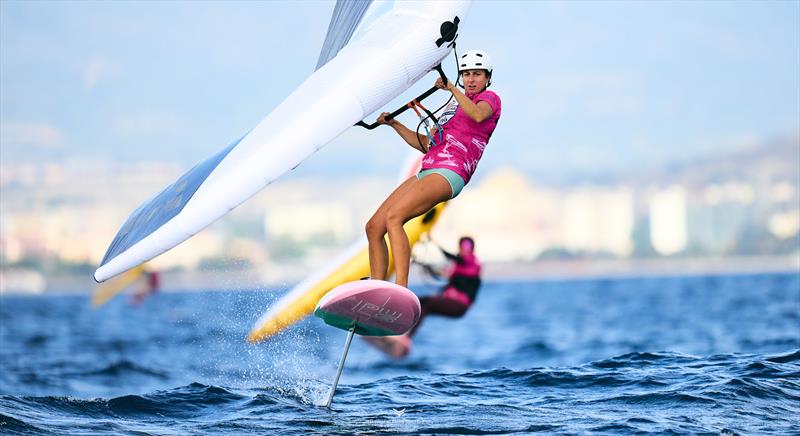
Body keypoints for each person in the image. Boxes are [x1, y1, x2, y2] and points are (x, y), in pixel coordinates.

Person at [365, 49, 501, 290]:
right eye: (466, 74)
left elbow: (478, 116)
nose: (470, 79)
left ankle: (400, 289)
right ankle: (377, 287)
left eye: (477, 74)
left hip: (451, 173)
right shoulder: (453, 107)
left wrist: (452, 88)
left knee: (394, 218)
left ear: (487, 78)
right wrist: (394, 124)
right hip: (429, 168)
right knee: (374, 226)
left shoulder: (489, 99)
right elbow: (426, 145)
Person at [407, 236, 482, 337]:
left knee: (425, 305)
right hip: (453, 303)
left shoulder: (472, 263)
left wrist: (435, 244)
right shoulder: (459, 265)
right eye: (462, 245)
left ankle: (407, 337)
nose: (464, 249)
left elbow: (454, 259)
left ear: (472, 248)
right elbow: (444, 270)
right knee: (418, 302)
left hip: (459, 306)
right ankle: (398, 328)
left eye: (467, 246)